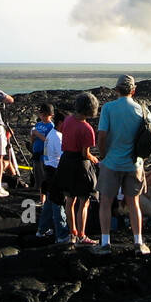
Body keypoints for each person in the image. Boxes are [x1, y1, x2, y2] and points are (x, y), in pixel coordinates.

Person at [95, 74, 150, 255]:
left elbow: (101, 136)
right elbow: (150, 138)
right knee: (134, 203)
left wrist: (103, 156)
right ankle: (138, 242)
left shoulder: (108, 108)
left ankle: (105, 243)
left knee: (105, 201)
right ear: (133, 90)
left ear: (116, 89)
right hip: (134, 164)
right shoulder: (143, 110)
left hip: (111, 162)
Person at [58, 92, 100, 246]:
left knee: (70, 200)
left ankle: (72, 233)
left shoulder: (68, 120)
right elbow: (85, 153)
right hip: (80, 164)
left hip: (66, 161)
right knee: (84, 200)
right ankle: (82, 235)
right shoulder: (87, 129)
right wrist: (93, 158)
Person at [38, 111, 70, 242]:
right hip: (55, 171)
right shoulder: (57, 137)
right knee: (58, 202)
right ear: (61, 123)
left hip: (49, 170)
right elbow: (64, 156)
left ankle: (42, 229)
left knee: (50, 202)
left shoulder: (53, 134)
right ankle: (62, 235)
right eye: (67, 123)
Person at [30, 102, 53, 200]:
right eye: (41, 115)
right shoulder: (38, 124)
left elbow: (48, 140)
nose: (43, 117)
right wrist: (32, 136)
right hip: (36, 151)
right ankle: (41, 198)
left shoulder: (51, 126)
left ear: (50, 115)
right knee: (38, 176)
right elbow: (32, 139)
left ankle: (46, 199)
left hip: (44, 154)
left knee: (45, 177)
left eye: (45, 115)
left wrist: (37, 134)